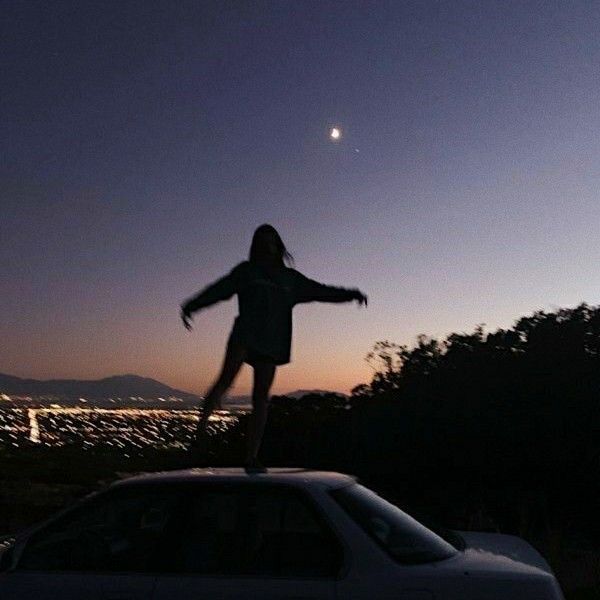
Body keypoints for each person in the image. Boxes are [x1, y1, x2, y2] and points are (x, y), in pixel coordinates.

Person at [180, 224, 368, 472]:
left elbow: (321, 291)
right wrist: (192, 305)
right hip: (244, 336)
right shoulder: (247, 272)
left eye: (271, 242)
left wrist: (350, 294)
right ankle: (200, 431)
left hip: (272, 342)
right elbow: (219, 289)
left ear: (278, 246)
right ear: (256, 247)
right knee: (225, 381)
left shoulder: (291, 280)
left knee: (261, 399)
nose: (267, 247)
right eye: (262, 243)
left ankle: (251, 457)